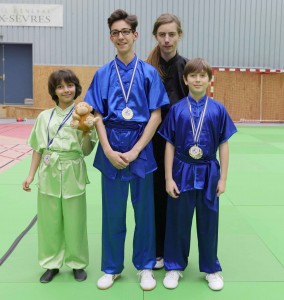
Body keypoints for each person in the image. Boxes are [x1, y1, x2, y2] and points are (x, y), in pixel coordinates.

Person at [84, 9, 169, 291]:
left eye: (125, 32)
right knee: (112, 213)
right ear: (110, 37)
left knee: (145, 212)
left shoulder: (148, 73)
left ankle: (145, 266)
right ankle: (111, 268)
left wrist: (135, 151)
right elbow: (96, 114)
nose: (120, 37)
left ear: (135, 35)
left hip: (141, 149)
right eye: (115, 33)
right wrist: (107, 149)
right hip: (111, 145)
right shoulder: (102, 73)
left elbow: (156, 115)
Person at [158, 58, 237, 291]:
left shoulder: (218, 109)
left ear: (209, 79)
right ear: (185, 79)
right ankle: (174, 266)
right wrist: (168, 178)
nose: (198, 79)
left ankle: (211, 268)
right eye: (193, 75)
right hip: (181, 170)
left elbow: (224, 144)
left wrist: (223, 178)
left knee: (209, 221)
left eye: (202, 75)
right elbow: (169, 145)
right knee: (177, 221)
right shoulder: (176, 109)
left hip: (209, 170)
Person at [22, 69, 97, 283]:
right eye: (60, 86)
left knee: (75, 221)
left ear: (76, 87)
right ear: (54, 91)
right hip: (48, 171)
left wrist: (84, 132)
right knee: (49, 221)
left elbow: (86, 151)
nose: (66, 90)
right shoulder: (44, 117)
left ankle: (77, 263)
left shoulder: (85, 116)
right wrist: (30, 175)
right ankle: (51, 263)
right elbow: (37, 148)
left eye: (70, 85)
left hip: (73, 168)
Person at [146, 13, 188, 269]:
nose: (167, 39)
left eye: (172, 34)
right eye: (162, 34)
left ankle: (175, 253)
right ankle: (158, 250)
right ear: (155, 36)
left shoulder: (187, 68)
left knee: (177, 198)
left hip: (180, 146)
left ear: (179, 36)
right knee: (155, 198)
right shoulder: (148, 68)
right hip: (152, 145)